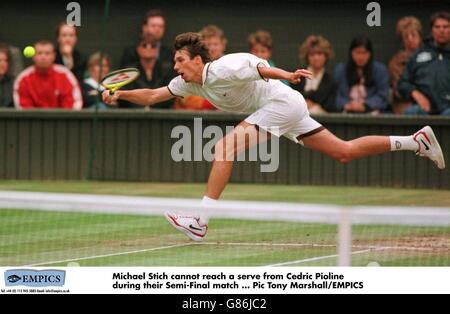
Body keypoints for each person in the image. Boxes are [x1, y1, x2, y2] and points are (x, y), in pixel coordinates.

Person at [103, 32, 445, 241]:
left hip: (281, 100)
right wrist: (120, 95)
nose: (175, 67)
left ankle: (200, 222)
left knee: (225, 147)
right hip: (286, 109)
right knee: (343, 152)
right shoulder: (186, 82)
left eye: (180, 60)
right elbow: (151, 95)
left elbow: (261, 67)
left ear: (196, 59)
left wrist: (288, 74)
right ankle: (416, 141)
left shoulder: (224, 66)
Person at [398, 11, 450, 115]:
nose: (441, 30)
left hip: (448, 108)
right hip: (423, 108)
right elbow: (403, 83)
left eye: (445, 27)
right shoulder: (419, 54)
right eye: (437, 27)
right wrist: (415, 93)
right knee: (411, 112)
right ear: (432, 30)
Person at [14, 40, 82, 110]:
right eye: (39, 53)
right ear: (33, 56)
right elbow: (23, 110)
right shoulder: (23, 79)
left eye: (47, 53)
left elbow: (73, 107)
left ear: (54, 56)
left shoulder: (65, 75)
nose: (43, 57)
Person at [334, 36, 389, 114]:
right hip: (347, 110)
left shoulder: (380, 70)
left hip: (372, 111)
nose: (361, 57)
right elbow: (336, 94)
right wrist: (347, 104)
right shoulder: (341, 69)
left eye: (364, 53)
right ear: (351, 53)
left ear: (370, 54)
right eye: (357, 52)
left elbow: (383, 96)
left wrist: (365, 105)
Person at [291, 35, 337, 114]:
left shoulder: (331, 81)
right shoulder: (297, 75)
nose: (316, 58)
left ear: (326, 56)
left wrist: (314, 106)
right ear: (307, 57)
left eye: (319, 54)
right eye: (312, 54)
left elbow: (331, 107)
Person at [388, 17, 423, 114]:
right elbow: (399, 90)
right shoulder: (396, 61)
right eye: (406, 36)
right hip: (405, 104)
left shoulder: (430, 55)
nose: (410, 39)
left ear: (420, 36)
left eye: (413, 35)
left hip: (431, 103)